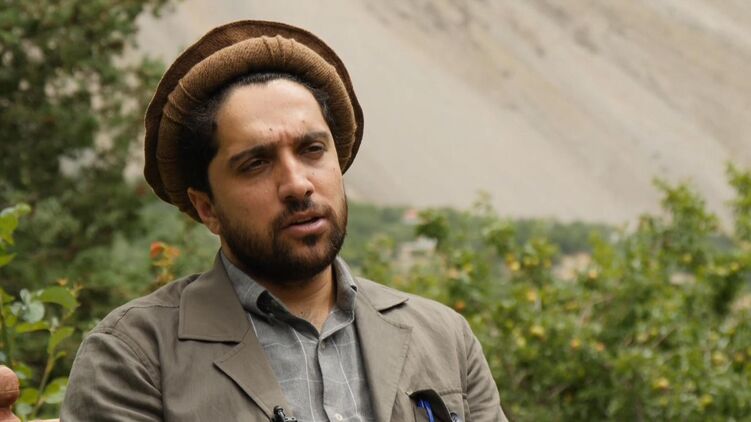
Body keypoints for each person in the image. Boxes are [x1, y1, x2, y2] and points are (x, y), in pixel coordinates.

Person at [61, 20, 507, 422]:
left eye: (312, 150)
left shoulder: (443, 339)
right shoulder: (135, 355)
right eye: (255, 163)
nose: (297, 185)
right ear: (207, 207)